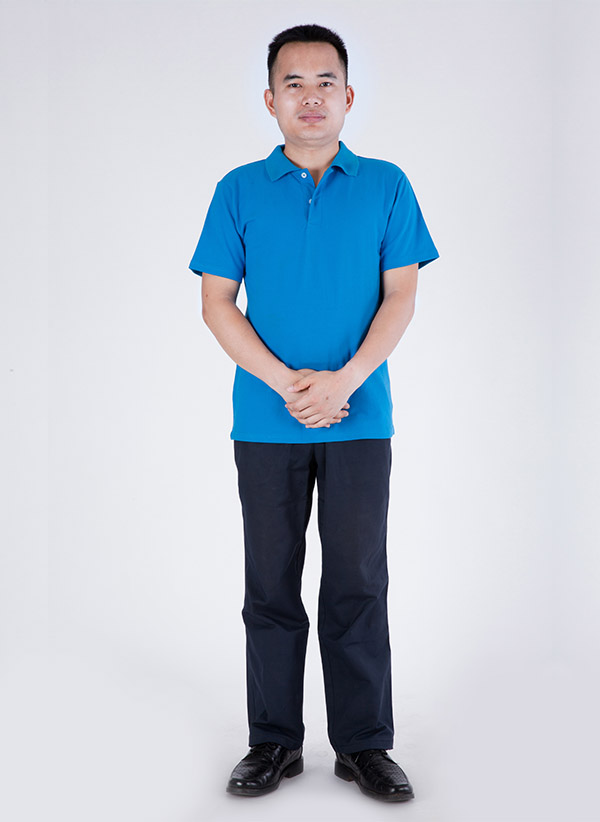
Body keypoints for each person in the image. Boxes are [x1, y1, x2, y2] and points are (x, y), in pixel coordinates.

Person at [189, 23, 440, 803]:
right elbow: (216, 304)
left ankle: (364, 746)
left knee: (357, 580)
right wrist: (287, 384)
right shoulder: (238, 190)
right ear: (270, 100)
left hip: (361, 418)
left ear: (348, 95)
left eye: (324, 81)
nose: (309, 96)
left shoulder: (387, 185)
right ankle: (274, 742)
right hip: (265, 422)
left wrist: (346, 381)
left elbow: (402, 295)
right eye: (292, 83)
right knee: (270, 582)